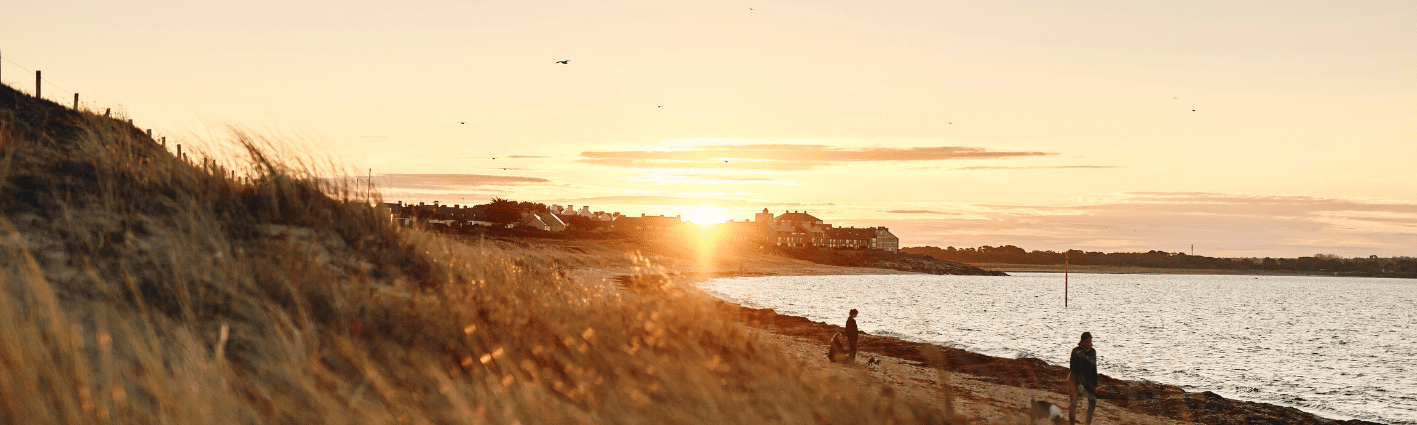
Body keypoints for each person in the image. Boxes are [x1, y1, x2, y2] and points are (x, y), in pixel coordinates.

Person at [1068, 331, 1098, 425]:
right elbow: (1074, 369)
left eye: (1090, 341)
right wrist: (1079, 384)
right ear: (1082, 342)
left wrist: (1095, 384)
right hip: (1074, 380)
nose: (1089, 344)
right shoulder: (1076, 351)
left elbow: (1094, 368)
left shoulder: (1093, 352)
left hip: (1088, 380)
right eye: (1087, 342)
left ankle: (1087, 423)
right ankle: (1071, 423)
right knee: (1073, 404)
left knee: (1093, 401)